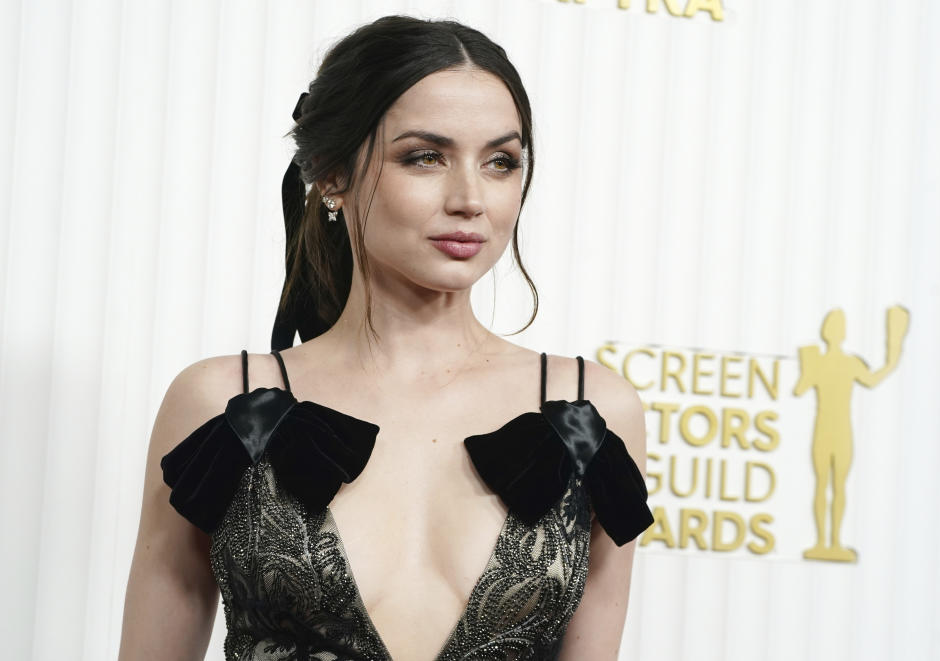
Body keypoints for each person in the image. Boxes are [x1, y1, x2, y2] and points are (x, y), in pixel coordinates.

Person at [119, 14, 654, 661]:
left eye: (501, 161)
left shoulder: (593, 414)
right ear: (331, 172)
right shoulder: (220, 401)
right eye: (425, 156)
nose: (470, 198)